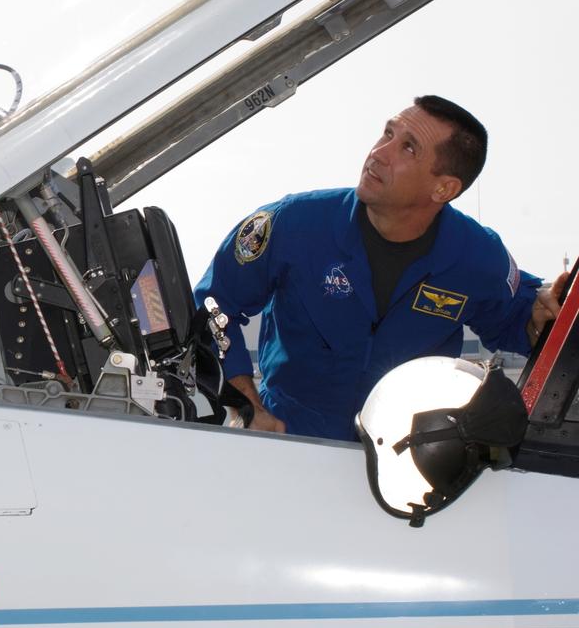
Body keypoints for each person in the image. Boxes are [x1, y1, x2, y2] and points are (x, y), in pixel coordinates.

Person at [194, 95, 566, 440]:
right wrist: (245, 407)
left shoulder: (477, 255)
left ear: (443, 189)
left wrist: (538, 320)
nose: (378, 152)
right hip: (290, 440)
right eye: (388, 133)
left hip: (405, 460)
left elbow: (516, 321)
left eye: (408, 147)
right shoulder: (293, 224)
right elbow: (213, 303)